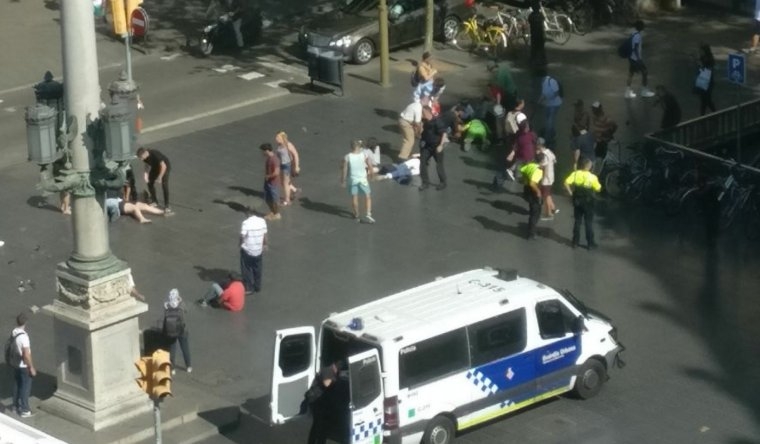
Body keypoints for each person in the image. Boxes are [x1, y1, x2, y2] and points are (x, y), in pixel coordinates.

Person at [563, 157, 602, 249]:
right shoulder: (592, 177)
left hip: (577, 200)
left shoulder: (575, 174)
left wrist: (571, 193)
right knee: (588, 222)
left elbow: (566, 182)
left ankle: (575, 242)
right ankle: (590, 243)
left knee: (577, 221)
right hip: (588, 202)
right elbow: (598, 188)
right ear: (589, 167)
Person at [305, 362, 346, 444]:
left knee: (318, 425)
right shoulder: (328, 368)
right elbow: (326, 383)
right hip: (317, 400)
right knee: (320, 425)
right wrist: (336, 378)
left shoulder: (332, 369)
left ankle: (315, 441)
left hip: (321, 400)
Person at [341, 139, 375, 223]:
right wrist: (372, 175)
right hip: (362, 179)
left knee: (354, 197)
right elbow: (370, 165)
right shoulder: (364, 155)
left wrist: (343, 180)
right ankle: (368, 213)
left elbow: (344, 169)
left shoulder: (347, 156)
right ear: (359, 147)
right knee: (368, 196)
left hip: (353, 179)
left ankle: (356, 214)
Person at [9, 313, 36, 418]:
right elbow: (26, 354)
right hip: (23, 365)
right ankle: (25, 410)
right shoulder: (24, 337)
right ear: (25, 322)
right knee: (25, 387)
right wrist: (31, 367)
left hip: (15, 363)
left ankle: (15, 406)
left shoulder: (14, 332)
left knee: (17, 384)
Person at [418, 107, 449, 191]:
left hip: (437, 146)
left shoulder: (437, 121)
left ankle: (443, 182)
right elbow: (422, 133)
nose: (421, 114)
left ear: (427, 112)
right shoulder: (424, 122)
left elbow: (444, 133)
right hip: (427, 146)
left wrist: (441, 145)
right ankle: (425, 182)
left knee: (439, 164)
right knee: (422, 162)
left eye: (422, 113)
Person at [163, 289, 191, 374]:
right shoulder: (181, 304)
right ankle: (188, 366)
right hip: (182, 330)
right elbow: (186, 311)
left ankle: (173, 369)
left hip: (171, 329)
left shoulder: (166, 306)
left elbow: (165, 314)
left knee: (172, 349)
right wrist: (181, 300)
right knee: (185, 348)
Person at [136, 147, 172, 213]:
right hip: (156, 167)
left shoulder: (155, 154)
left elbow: (163, 166)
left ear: (144, 153)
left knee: (164, 184)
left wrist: (160, 177)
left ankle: (167, 205)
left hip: (165, 166)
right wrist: (145, 174)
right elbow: (147, 165)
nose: (141, 159)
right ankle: (155, 201)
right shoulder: (145, 158)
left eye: (141, 157)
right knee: (149, 182)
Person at [625, 20, 655, 99]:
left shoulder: (633, 33)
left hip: (631, 57)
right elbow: (635, 48)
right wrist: (638, 59)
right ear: (640, 27)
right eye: (643, 26)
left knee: (631, 74)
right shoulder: (637, 36)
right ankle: (644, 91)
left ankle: (627, 92)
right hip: (636, 58)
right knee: (645, 72)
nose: (643, 27)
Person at [240, 211, 267, 294]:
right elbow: (265, 235)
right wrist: (265, 244)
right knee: (257, 268)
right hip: (258, 250)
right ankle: (257, 286)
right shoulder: (262, 221)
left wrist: (240, 244)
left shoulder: (246, 223)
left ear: (248, 214)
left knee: (246, 268)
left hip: (248, 250)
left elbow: (242, 236)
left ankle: (249, 287)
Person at [520, 153, 546, 240]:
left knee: (532, 211)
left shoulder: (530, 165)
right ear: (542, 161)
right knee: (536, 213)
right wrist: (538, 191)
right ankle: (531, 233)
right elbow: (532, 183)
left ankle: (532, 229)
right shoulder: (538, 170)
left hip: (527, 190)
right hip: (534, 192)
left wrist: (524, 180)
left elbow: (522, 170)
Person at [274, 131, 301, 206]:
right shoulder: (279, 145)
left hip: (287, 166)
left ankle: (287, 200)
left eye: (278, 137)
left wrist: (296, 166)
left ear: (282, 138)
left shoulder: (288, 145)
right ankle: (295, 190)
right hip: (282, 165)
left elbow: (295, 154)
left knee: (285, 183)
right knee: (283, 182)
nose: (276, 139)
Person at [537, 70, 563, 147]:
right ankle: (550, 134)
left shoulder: (551, 81)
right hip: (547, 104)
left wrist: (548, 98)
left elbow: (556, 93)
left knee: (550, 120)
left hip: (555, 104)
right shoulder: (543, 82)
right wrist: (539, 101)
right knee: (548, 120)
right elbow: (543, 93)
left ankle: (548, 138)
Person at [398, 95, 427, 160]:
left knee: (409, 138)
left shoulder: (415, 104)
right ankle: (403, 156)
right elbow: (417, 122)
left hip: (403, 120)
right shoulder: (418, 107)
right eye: (427, 101)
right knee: (409, 140)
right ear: (423, 100)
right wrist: (420, 132)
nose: (428, 102)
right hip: (406, 123)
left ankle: (406, 153)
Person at [105, 197, 171, 223]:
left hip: (121, 200)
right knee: (134, 208)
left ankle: (161, 212)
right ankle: (142, 219)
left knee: (144, 205)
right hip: (117, 203)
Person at [260, 143, 281, 220]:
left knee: (275, 200)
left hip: (273, 184)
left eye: (262, 151)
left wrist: (268, 176)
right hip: (268, 182)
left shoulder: (274, 159)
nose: (262, 153)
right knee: (268, 199)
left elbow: (277, 172)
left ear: (267, 151)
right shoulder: (269, 158)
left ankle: (277, 214)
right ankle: (273, 212)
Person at [538, 139, 558, 220]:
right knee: (547, 194)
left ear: (539, 145)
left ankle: (549, 214)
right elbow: (555, 160)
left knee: (545, 196)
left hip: (546, 178)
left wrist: (538, 165)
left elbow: (543, 166)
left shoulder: (544, 155)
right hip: (551, 176)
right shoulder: (549, 151)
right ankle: (553, 208)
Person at [694, 44, 716, 115]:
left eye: (701, 50)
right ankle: (709, 115)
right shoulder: (703, 58)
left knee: (706, 100)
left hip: (707, 81)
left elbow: (707, 69)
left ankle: (705, 116)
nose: (699, 52)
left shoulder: (708, 59)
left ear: (705, 51)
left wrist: (701, 65)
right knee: (705, 100)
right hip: (702, 80)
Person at [528, 0, 547, 69]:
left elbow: (529, 21)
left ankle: (533, 60)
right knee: (541, 48)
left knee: (534, 48)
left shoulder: (531, 15)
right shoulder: (540, 15)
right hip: (540, 34)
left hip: (534, 34)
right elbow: (543, 19)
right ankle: (543, 60)